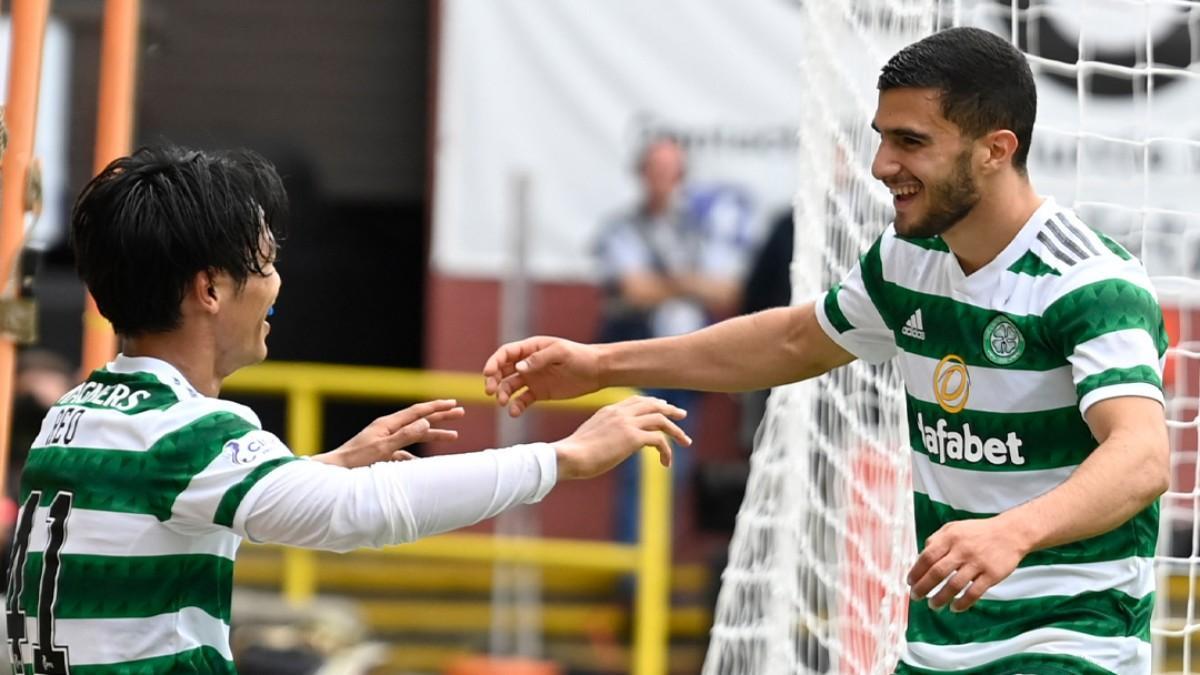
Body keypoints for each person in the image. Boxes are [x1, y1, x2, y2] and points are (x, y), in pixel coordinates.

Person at [485, 27, 1169, 674]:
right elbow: (793, 339)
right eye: (881, 139)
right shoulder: (907, 259)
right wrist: (600, 364)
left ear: (995, 149)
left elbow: (1141, 456)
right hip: (942, 643)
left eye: (910, 141)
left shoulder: (1088, 283)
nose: (882, 166)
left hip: (1074, 640)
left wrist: (1011, 531)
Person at [5, 145, 690, 673]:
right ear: (209, 290)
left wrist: (324, 466)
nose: (276, 285)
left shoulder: (73, 414)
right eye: (265, 264)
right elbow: (356, 512)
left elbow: (176, 510)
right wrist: (562, 458)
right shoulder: (189, 433)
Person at [594, 135, 750, 542]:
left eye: (670, 170)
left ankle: (655, 565)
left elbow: (727, 290)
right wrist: (690, 283)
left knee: (673, 468)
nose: (663, 179)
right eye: (655, 169)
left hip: (686, 369)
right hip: (637, 365)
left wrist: (664, 282)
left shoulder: (698, 230)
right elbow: (633, 290)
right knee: (634, 467)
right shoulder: (622, 228)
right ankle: (633, 571)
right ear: (641, 174)